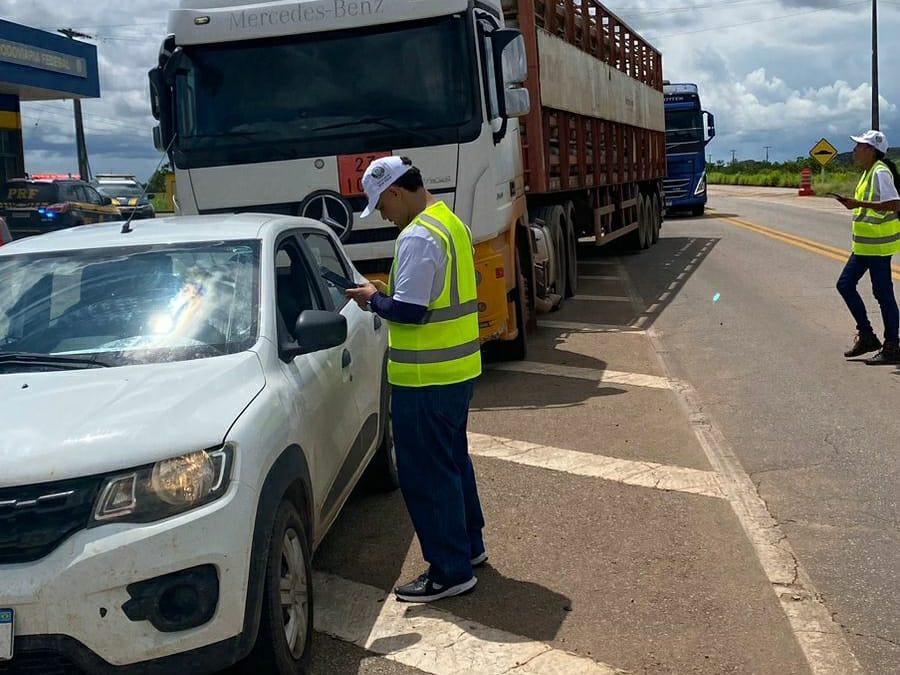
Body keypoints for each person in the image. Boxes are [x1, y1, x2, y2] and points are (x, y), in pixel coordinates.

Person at [346, 156, 487, 603]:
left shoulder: (419, 236)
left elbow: (411, 311)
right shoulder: (448, 222)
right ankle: (469, 548)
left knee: (426, 475)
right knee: (451, 464)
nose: (383, 215)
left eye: (380, 205)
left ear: (395, 192)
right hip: (457, 371)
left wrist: (372, 299)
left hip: (426, 377)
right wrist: (387, 294)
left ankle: (449, 570)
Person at [835, 130, 900, 365]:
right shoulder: (868, 172)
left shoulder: (880, 172)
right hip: (864, 247)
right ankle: (867, 336)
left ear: (871, 150)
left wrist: (857, 203)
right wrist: (854, 205)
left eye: (859, 146)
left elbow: (894, 204)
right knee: (844, 285)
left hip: (877, 247)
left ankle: (892, 345)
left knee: (883, 294)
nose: (854, 150)